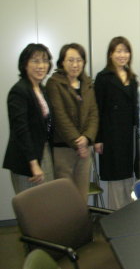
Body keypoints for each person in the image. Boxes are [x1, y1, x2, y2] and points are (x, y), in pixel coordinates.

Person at [46, 43, 98, 201]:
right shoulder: (54, 83)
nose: (75, 64)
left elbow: (94, 113)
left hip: (85, 148)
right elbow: (60, 116)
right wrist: (78, 142)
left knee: (81, 194)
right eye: (70, 60)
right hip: (64, 148)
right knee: (64, 196)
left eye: (79, 60)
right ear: (62, 62)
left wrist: (87, 138)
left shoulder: (87, 82)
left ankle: (79, 225)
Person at [94, 36, 139, 209]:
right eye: (118, 51)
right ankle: (116, 215)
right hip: (111, 135)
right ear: (110, 54)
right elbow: (97, 109)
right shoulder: (103, 77)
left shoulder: (132, 77)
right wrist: (98, 138)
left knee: (129, 175)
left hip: (129, 135)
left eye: (126, 51)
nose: (123, 55)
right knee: (115, 177)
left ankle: (128, 213)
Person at [3, 43, 55, 194]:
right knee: (31, 208)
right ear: (25, 63)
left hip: (43, 152)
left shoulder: (41, 89)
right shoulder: (19, 91)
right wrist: (33, 164)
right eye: (35, 61)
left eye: (45, 61)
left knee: (47, 202)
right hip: (27, 158)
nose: (41, 66)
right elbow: (21, 130)